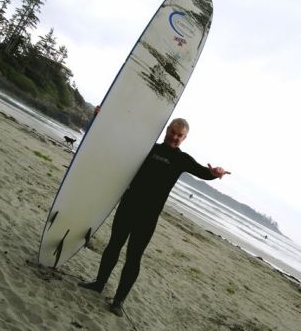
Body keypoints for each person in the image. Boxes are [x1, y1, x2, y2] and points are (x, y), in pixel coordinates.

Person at [78, 118, 230, 316]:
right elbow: (119, 139)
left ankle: (118, 301)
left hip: (148, 217)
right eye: (172, 132)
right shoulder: (148, 148)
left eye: (179, 135)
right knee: (113, 245)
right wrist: (103, 115)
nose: (174, 137)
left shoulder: (182, 160)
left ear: (184, 138)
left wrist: (215, 173)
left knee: (134, 257)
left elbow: (203, 172)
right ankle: (99, 284)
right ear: (167, 130)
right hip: (128, 207)